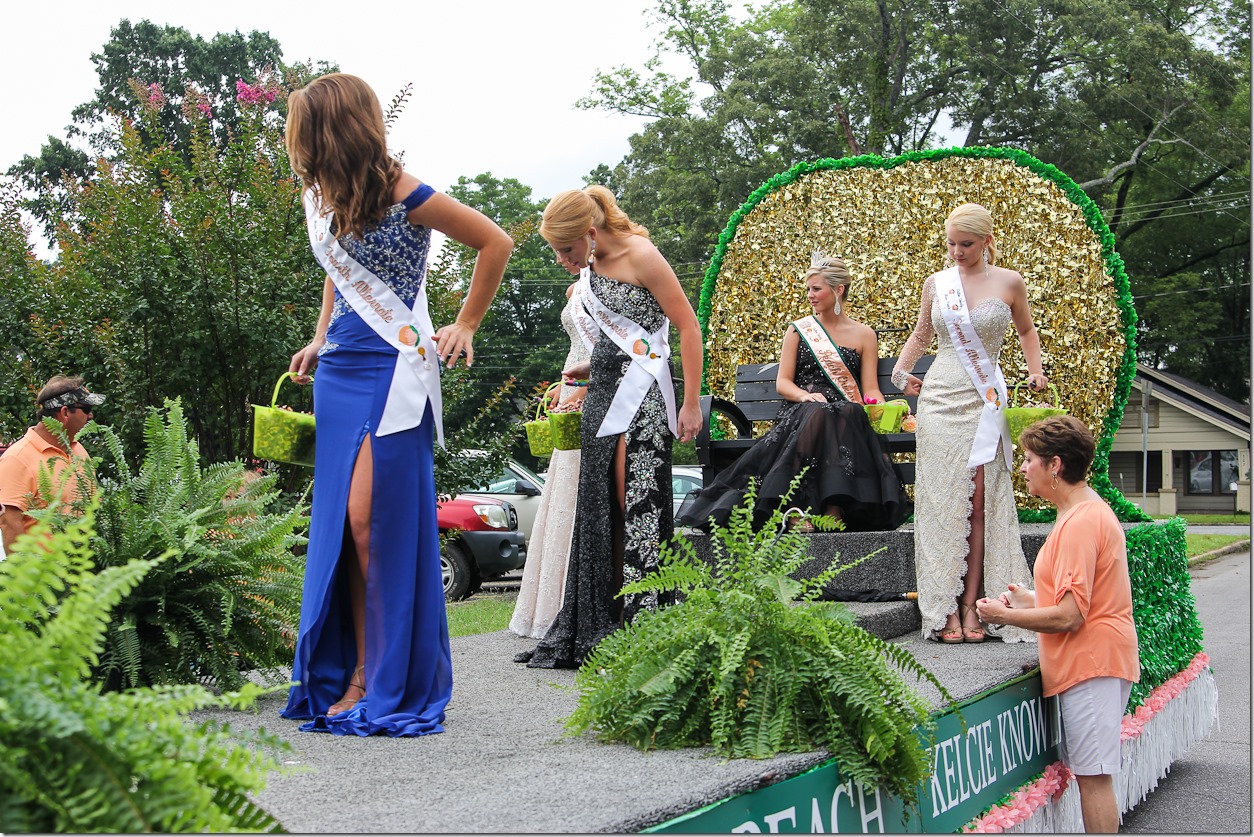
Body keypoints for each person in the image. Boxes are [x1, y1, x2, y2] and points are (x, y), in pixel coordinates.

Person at [278, 73, 511, 736]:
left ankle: (387, 679)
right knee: (343, 534)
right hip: (342, 368)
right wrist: (320, 336)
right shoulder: (325, 197)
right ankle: (352, 673)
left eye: (305, 132)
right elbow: (335, 271)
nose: (299, 148)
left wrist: (465, 322)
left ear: (335, 131)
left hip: (392, 366)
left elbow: (495, 241)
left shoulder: (407, 192)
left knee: (366, 523)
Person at [517, 185, 703, 669]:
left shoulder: (642, 255)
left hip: (644, 397)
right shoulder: (590, 269)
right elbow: (611, 337)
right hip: (603, 395)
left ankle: (645, 619)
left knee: (633, 500)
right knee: (600, 503)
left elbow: (686, 326)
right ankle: (601, 617)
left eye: (566, 249)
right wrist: (587, 369)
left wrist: (689, 405)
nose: (562, 259)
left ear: (591, 233)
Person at [892, 202, 1046, 644]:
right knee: (942, 502)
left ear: (987, 241)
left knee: (980, 503)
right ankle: (942, 609)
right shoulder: (937, 284)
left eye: (966, 244)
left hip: (985, 398)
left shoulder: (1009, 282)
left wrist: (1035, 370)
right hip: (940, 397)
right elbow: (923, 334)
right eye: (951, 244)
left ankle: (973, 606)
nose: (957, 252)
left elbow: (1026, 331)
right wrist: (902, 373)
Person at [977, 416, 1139, 833]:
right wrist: (1029, 600)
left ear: (1055, 465)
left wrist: (1005, 616)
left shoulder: (1081, 519)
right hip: (1091, 662)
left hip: (1092, 663)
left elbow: (1070, 615)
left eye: (1029, 459)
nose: (1023, 467)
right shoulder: (1081, 511)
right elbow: (1083, 596)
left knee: (1093, 777)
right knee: (1091, 774)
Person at [676, 253, 911, 532]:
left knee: (846, 411)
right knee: (817, 413)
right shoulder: (799, 330)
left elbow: (870, 389)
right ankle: (796, 509)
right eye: (808, 289)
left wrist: (885, 409)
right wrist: (805, 396)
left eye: (816, 289)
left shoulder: (864, 334)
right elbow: (782, 383)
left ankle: (834, 509)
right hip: (802, 410)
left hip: (845, 413)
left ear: (838, 290)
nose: (810, 296)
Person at [508, 279, 589, 639]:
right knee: (562, 490)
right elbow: (578, 344)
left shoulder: (614, 278)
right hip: (572, 382)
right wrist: (564, 385)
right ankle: (550, 605)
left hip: (598, 385)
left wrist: (586, 387)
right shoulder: (576, 289)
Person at [0, 376, 103, 553]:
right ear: (64, 413)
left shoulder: (79, 450)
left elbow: (95, 506)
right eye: (86, 409)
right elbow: (9, 524)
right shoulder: (17, 458)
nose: (91, 416)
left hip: (83, 570)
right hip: (44, 575)